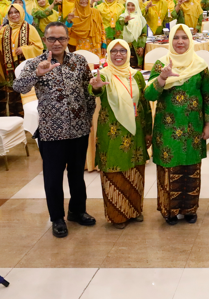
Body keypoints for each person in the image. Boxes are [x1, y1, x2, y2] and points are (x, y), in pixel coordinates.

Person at [14, 22, 97, 238]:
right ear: (44, 40)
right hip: (52, 131)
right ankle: (57, 218)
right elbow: (19, 87)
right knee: (53, 177)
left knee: (77, 175)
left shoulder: (79, 61)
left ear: (68, 39)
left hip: (79, 129)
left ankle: (77, 211)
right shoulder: (35, 63)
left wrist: (88, 117)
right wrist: (37, 75)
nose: (57, 43)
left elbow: (89, 90)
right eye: (52, 39)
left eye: (61, 38)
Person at [143, 23, 209, 224]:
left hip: (193, 127)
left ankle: (190, 209)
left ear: (190, 41)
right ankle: (170, 211)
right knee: (169, 168)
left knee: (191, 168)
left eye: (184, 38)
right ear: (171, 40)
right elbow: (149, 94)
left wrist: (208, 124)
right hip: (167, 128)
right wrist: (162, 78)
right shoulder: (161, 64)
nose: (180, 42)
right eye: (176, 38)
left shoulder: (199, 65)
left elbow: (208, 96)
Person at [90, 39, 152, 228]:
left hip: (136, 129)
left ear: (128, 54)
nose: (118, 54)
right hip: (112, 131)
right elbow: (95, 91)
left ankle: (134, 210)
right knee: (114, 170)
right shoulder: (104, 74)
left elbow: (144, 104)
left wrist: (148, 131)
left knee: (135, 170)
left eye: (122, 51)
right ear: (109, 53)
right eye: (114, 51)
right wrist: (96, 86)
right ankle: (118, 215)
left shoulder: (136, 75)